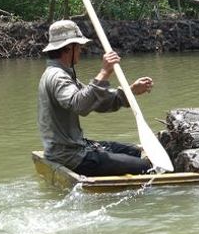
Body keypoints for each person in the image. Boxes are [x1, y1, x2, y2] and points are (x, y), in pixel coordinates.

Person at [38, 20, 154, 176]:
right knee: (146, 167)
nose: (80, 51)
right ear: (68, 48)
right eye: (78, 47)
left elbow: (97, 102)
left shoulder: (63, 74)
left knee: (134, 152)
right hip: (70, 156)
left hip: (74, 148)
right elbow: (80, 105)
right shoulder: (57, 76)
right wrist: (104, 72)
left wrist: (130, 91)